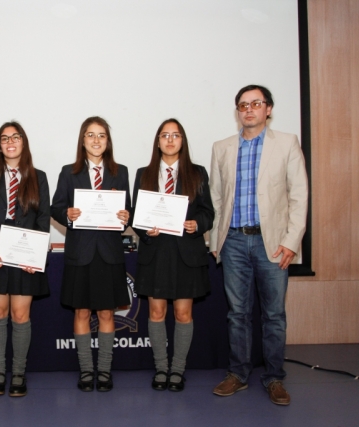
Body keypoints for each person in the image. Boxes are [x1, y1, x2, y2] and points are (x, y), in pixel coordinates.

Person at [209, 85, 308, 405]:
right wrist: (215, 239)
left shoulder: (287, 143)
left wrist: (292, 241)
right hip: (234, 241)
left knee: (274, 315)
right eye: (242, 105)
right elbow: (217, 197)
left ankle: (275, 378)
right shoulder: (221, 147)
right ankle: (238, 374)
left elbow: (299, 195)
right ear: (237, 112)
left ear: (268, 109)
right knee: (237, 314)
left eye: (256, 104)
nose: (248, 109)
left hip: (274, 244)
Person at [131, 118, 214, 392]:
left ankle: (177, 370)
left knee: (182, 313)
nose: (170, 140)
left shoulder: (197, 172)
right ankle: (161, 368)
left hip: (186, 255)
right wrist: (145, 232)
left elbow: (207, 212)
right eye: (164, 135)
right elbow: (136, 215)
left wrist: (197, 225)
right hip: (155, 253)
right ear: (157, 141)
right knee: (156, 312)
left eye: (175, 135)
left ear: (182, 140)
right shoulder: (144, 173)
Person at [50, 116, 131, 392]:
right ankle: (86, 371)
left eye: (101, 136)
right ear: (82, 140)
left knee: (107, 313)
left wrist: (124, 216)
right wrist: (67, 214)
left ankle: (105, 371)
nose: (96, 140)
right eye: (90, 135)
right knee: (82, 311)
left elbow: (127, 211)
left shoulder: (121, 172)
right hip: (80, 253)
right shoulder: (68, 172)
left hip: (109, 253)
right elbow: (56, 207)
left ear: (108, 142)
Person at [0, 121, 50, 397]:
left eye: (15, 137)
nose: (10, 142)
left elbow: (42, 221)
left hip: (25, 260)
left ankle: (18, 373)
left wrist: (36, 255)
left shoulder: (38, 177)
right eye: (4, 138)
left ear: (23, 142)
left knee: (20, 315)